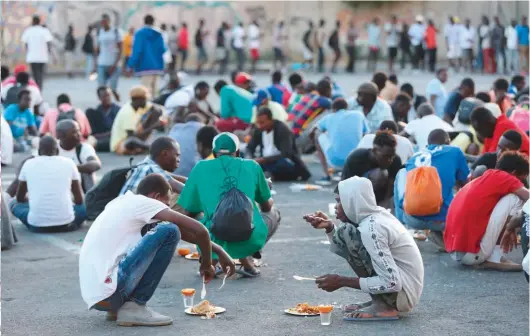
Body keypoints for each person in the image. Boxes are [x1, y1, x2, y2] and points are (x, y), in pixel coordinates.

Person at [80, 173, 235, 327]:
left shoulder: (121, 203)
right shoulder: (145, 203)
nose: (166, 209)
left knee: (168, 229)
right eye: (166, 204)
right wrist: (206, 264)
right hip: (111, 290)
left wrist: (219, 251)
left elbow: (191, 234)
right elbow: (200, 230)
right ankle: (135, 306)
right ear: (156, 196)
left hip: (99, 297)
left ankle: (120, 307)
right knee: (170, 230)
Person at [304, 176, 423, 320]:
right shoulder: (373, 216)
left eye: (339, 201)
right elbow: (346, 245)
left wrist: (341, 281)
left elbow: (392, 282)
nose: (336, 206)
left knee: (348, 233)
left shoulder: (372, 228)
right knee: (345, 232)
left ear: (352, 202)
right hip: (402, 290)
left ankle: (385, 307)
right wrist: (329, 228)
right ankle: (379, 300)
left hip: (403, 294)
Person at [178, 132, 281, 277]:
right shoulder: (252, 166)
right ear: (238, 152)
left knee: (204, 217)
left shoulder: (200, 167)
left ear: (214, 153)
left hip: (212, 236)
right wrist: (266, 188)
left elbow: (190, 210)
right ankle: (246, 259)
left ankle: (211, 260)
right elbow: (267, 207)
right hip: (249, 235)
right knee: (271, 213)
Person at [445, 151, 529, 271]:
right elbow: (528, 197)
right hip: (471, 254)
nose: (522, 183)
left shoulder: (484, 178)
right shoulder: (505, 177)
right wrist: (513, 225)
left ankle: (491, 257)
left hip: (457, 254)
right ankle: (495, 258)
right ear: (514, 173)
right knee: (516, 198)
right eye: (522, 179)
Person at [395, 129, 469, 250]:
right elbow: (465, 184)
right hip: (444, 221)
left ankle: (401, 227)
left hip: (413, 219)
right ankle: (440, 230)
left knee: (402, 172)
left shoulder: (416, 155)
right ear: (448, 142)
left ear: (427, 145)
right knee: (449, 192)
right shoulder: (454, 151)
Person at [10, 136, 86, 232]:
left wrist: (31, 201)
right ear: (57, 151)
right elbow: (79, 200)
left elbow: (19, 198)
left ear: (38, 151)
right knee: (85, 204)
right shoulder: (69, 163)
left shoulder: (28, 164)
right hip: (66, 224)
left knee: (13, 204)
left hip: (36, 226)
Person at [313, 98, 368, 184]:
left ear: (334, 109)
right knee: (365, 137)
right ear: (347, 108)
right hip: (356, 159)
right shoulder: (359, 115)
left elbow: (314, 130)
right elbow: (366, 133)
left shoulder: (329, 117)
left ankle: (326, 175)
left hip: (335, 161)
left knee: (317, 134)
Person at [247, 107, 310, 181]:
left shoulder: (282, 129)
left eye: (262, 123)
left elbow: (286, 153)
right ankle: (267, 174)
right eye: (258, 122)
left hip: (282, 161)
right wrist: (250, 159)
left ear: (271, 120)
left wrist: (264, 159)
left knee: (281, 165)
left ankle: (270, 175)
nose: (260, 125)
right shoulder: (258, 130)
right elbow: (249, 147)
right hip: (265, 162)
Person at [342, 131, 402, 206]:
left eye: (392, 156)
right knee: (379, 174)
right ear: (374, 151)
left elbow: (392, 185)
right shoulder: (356, 158)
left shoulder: (395, 160)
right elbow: (344, 187)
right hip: (358, 197)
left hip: (380, 199)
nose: (390, 160)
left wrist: (385, 205)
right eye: (386, 156)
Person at [120, 137, 185, 197]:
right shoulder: (152, 168)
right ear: (164, 154)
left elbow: (171, 176)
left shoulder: (143, 165)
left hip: (122, 206)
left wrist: (189, 180)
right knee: (177, 198)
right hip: (134, 208)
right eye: (176, 155)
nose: (178, 160)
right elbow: (184, 190)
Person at [110, 86, 163, 155]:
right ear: (136, 99)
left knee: (156, 112)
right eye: (144, 99)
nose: (146, 102)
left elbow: (158, 109)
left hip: (134, 135)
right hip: (121, 144)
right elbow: (131, 137)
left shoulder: (136, 105)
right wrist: (153, 126)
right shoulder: (127, 112)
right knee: (132, 141)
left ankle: (143, 147)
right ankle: (151, 148)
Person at [56, 120, 101, 193]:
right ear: (61, 135)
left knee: (87, 172)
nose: (79, 134)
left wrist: (71, 168)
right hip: (60, 186)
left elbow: (96, 164)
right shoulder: (52, 147)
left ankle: (88, 200)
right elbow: (32, 160)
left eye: (79, 131)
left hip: (81, 189)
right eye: (74, 132)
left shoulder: (84, 148)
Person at [127, 15, 166, 97]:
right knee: (155, 93)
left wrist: (130, 65)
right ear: (153, 22)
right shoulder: (159, 34)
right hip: (157, 66)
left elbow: (137, 50)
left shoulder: (140, 33)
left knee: (144, 92)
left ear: (144, 21)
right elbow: (163, 49)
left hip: (144, 66)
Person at [290, 79, 332, 153]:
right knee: (331, 114)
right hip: (297, 141)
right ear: (327, 90)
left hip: (289, 137)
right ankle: (322, 151)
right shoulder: (325, 102)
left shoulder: (309, 95)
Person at [93, 14, 122, 102]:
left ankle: (117, 104)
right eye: (102, 22)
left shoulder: (116, 32)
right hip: (102, 63)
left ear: (109, 21)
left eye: (105, 21)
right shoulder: (99, 32)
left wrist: (116, 63)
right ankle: (103, 106)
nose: (103, 23)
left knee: (113, 88)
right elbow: (97, 50)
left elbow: (120, 49)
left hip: (113, 64)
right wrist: (95, 65)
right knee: (102, 88)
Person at [21, 15, 53, 90]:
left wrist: (27, 50)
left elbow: (25, 43)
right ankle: (39, 87)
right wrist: (48, 51)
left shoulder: (28, 30)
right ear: (39, 22)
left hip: (32, 56)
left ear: (32, 22)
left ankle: (37, 87)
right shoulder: (44, 30)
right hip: (42, 56)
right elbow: (49, 42)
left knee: (35, 74)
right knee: (41, 74)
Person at [85, 86, 121, 152]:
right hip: (100, 136)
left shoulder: (117, 110)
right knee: (89, 111)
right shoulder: (98, 110)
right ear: (99, 98)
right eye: (104, 96)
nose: (107, 98)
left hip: (113, 137)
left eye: (109, 95)